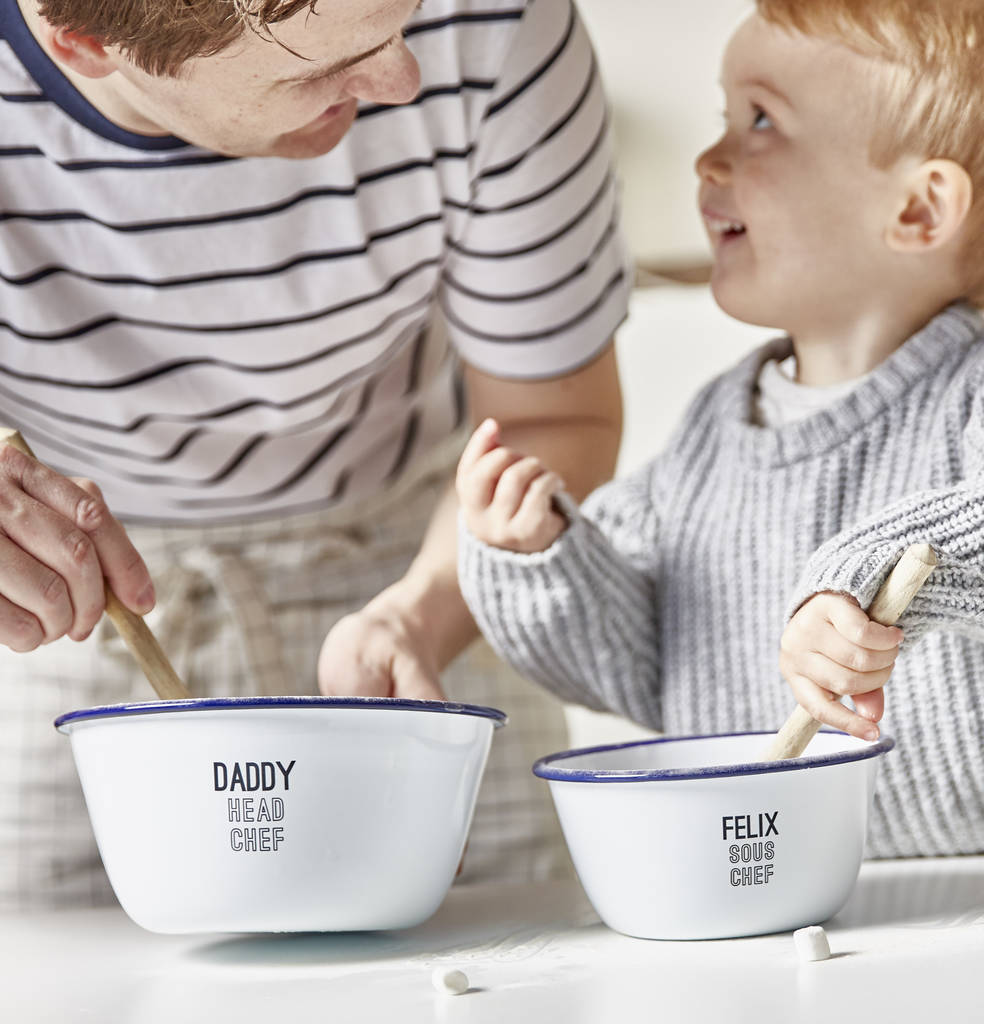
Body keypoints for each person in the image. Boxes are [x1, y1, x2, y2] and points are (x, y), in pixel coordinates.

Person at [0, 0, 630, 906]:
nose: (404, 81)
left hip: (422, 577)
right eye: (316, 68)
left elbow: (553, 419)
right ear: (87, 45)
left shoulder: (493, 22)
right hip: (64, 626)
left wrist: (420, 617)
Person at [456, 0, 984, 858]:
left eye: (763, 120)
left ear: (920, 209)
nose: (709, 157)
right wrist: (539, 559)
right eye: (725, 116)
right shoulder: (710, 431)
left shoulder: (970, 396)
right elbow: (632, 663)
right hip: (763, 885)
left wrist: (861, 576)